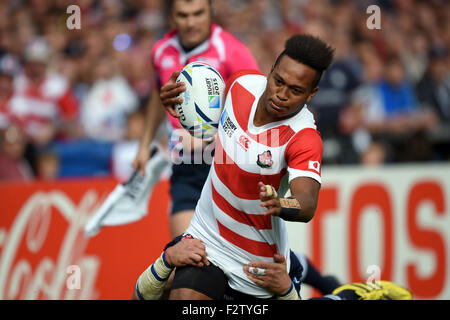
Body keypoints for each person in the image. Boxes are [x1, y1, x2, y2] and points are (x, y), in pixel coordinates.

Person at [158, 34, 334, 300]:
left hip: (255, 263)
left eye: (296, 90)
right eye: (278, 81)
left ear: (312, 94)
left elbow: (306, 203)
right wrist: (182, 106)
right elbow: (209, 119)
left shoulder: (304, 137)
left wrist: (283, 204)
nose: (281, 95)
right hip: (207, 236)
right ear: (270, 71)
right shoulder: (241, 83)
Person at [132, 0, 260, 238]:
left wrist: (213, 137)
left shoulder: (233, 51)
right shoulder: (161, 50)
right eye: (183, 15)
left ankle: (315, 276)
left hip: (227, 166)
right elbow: (158, 95)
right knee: (185, 256)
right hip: (186, 165)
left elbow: (256, 111)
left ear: (211, 10)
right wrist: (143, 144)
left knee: (242, 263)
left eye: (198, 14)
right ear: (171, 16)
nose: (191, 23)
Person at [132, 235, 413, 300]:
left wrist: (288, 291)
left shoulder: (268, 254)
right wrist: (165, 261)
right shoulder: (188, 245)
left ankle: (352, 290)